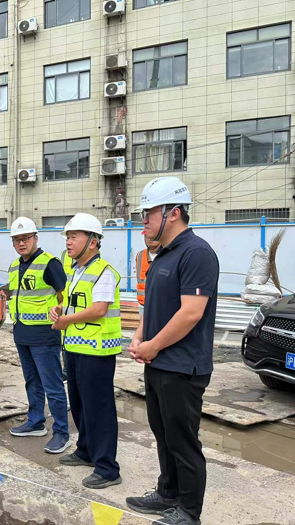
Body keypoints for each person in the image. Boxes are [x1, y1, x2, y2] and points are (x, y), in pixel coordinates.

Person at [126, 178, 219, 525]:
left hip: (182, 367)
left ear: (174, 212)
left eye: (150, 212)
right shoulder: (162, 255)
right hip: (158, 363)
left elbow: (191, 313)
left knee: (182, 441)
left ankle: (189, 511)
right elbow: (152, 306)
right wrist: (139, 338)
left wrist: (153, 345)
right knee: (163, 434)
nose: (144, 219)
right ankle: (167, 494)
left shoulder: (196, 253)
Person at [50, 213, 122, 489]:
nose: (68, 242)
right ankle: (86, 450)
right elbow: (74, 303)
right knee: (80, 404)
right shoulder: (74, 271)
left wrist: (65, 320)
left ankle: (107, 468)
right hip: (75, 347)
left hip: (98, 351)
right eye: (67, 237)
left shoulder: (104, 271)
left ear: (92, 241)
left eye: (74, 237)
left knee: (99, 409)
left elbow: (99, 309)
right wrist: (59, 309)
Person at [7, 217, 70, 454]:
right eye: (16, 240)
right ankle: (35, 422)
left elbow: (65, 295)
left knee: (52, 385)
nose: (21, 243)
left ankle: (61, 432)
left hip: (44, 334)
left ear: (35, 238)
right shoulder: (14, 266)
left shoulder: (49, 263)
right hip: (22, 332)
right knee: (32, 381)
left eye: (25, 238)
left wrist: (60, 313)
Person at [136, 232, 161, 318]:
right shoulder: (140, 255)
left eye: (153, 235)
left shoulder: (168, 254)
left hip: (160, 305)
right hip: (143, 305)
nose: (150, 238)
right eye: (147, 236)